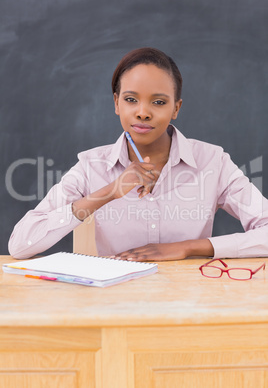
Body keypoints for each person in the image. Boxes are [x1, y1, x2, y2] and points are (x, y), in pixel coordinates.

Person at [8, 47, 268, 261]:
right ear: (116, 103)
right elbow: (20, 245)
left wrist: (189, 247)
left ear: (176, 108)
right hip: (115, 301)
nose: (143, 112)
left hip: (190, 303)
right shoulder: (91, 166)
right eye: (131, 99)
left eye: (158, 102)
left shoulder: (213, 161)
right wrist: (109, 192)